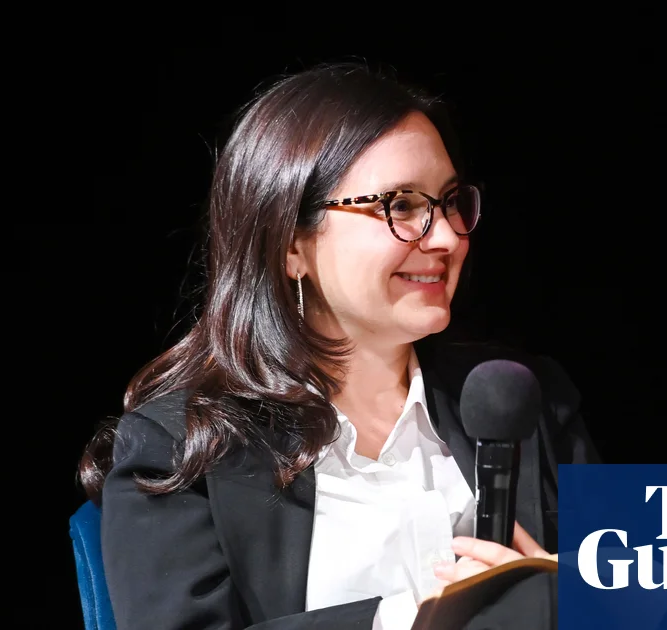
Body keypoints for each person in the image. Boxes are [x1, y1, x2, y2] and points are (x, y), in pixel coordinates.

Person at [78, 61, 601, 630]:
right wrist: (420, 619)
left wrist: (579, 596)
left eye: (451, 201)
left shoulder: (524, 396)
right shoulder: (179, 446)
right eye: (401, 206)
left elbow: (651, 587)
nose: (448, 236)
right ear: (290, 244)